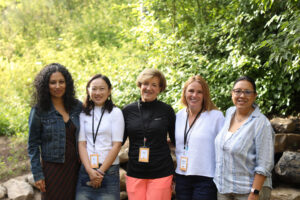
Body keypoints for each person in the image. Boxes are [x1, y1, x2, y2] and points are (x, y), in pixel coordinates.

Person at [214, 76, 274, 200]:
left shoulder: (261, 123)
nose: (242, 95)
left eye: (247, 92)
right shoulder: (229, 112)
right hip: (224, 189)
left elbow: (264, 163)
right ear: (232, 93)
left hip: (247, 193)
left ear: (255, 95)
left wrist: (254, 193)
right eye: (237, 91)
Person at [28, 63, 82, 199]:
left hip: (76, 167)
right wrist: (37, 174)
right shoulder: (39, 111)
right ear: (45, 85)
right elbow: (33, 145)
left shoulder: (77, 107)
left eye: (61, 82)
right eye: (53, 82)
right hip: (52, 169)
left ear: (67, 83)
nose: (57, 86)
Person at [122, 68, 176, 200]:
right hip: (135, 172)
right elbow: (118, 141)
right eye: (145, 83)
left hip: (161, 172)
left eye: (154, 85)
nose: (149, 88)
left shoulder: (167, 111)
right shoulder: (128, 111)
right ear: (140, 85)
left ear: (160, 88)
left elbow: (176, 140)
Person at [174, 75, 224, 200]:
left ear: (205, 95)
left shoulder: (216, 116)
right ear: (185, 92)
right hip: (182, 176)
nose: (194, 95)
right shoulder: (179, 115)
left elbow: (224, 146)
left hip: (206, 177)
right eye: (191, 91)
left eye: (199, 92)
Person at [75, 74, 124, 200]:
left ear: (109, 90)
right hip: (87, 169)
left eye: (102, 89)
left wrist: (100, 172)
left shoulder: (115, 112)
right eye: (94, 88)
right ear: (88, 90)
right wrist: (90, 171)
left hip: (108, 170)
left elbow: (117, 145)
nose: (98, 92)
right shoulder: (83, 113)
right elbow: (82, 144)